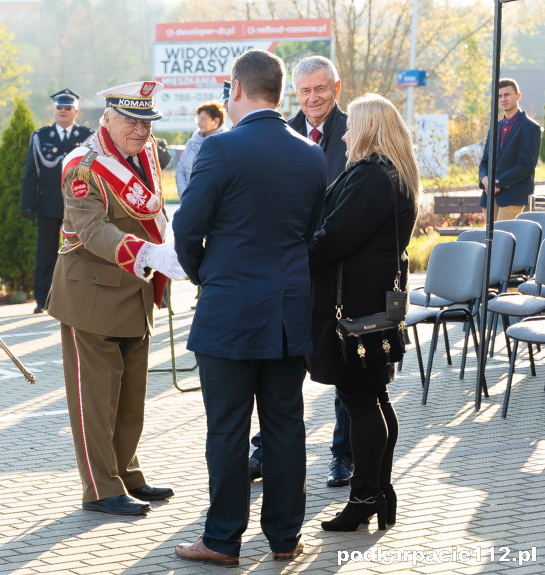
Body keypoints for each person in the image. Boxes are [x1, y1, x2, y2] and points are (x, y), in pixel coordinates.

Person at [173, 49, 326, 565]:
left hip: (229, 313)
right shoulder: (310, 154)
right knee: (286, 427)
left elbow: (186, 229)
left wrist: (205, 277)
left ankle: (221, 540)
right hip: (286, 313)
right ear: (282, 93)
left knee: (229, 429)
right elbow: (309, 235)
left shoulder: (220, 150)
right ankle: (285, 538)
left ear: (235, 89)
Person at [47, 80, 187, 517]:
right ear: (106, 117)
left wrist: (171, 246)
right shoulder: (83, 167)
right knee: (96, 399)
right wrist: (148, 253)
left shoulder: (142, 151)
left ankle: (127, 472)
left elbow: (151, 210)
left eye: (146, 122)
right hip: (91, 294)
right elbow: (93, 230)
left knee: (131, 396)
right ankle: (100, 488)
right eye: (130, 121)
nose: (140, 131)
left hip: (135, 290)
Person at [306, 93, 419, 531]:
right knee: (373, 398)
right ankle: (377, 492)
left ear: (369, 129)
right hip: (371, 309)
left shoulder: (372, 175)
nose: (346, 134)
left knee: (359, 401)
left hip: (353, 313)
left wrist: (292, 255)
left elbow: (334, 238)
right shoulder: (392, 174)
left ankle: (366, 496)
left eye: (351, 126)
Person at [250, 55, 354, 487]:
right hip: (291, 273)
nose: (313, 98)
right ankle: (264, 449)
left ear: (336, 87)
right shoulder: (281, 133)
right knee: (279, 367)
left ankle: (343, 455)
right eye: (305, 91)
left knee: (346, 368)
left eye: (321, 89)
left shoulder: (357, 131)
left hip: (341, 272)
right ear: (295, 93)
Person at [20, 88, 94, 314]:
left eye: (68, 108)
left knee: (81, 253)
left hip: (80, 205)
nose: (63, 111)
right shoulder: (40, 136)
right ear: (53, 110)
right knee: (46, 254)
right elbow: (31, 172)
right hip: (49, 205)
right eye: (59, 107)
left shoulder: (88, 136)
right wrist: (27, 202)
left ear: (76, 111)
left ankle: (79, 298)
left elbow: (94, 173)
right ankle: (43, 299)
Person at [477, 78, 542, 221]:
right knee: (491, 242)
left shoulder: (531, 128)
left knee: (503, 238)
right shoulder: (495, 127)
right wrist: (484, 179)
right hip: (489, 197)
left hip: (514, 194)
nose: (503, 99)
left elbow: (526, 165)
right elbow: (485, 161)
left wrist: (498, 183)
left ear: (518, 96)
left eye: (507, 95)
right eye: (499, 96)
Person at [175, 101, 227, 197]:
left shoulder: (226, 142)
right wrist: (185, 196)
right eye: (198, 118)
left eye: (203, 118)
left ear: (216, 121)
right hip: (189, 199)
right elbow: (180, 170)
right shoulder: (192, 142)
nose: (199, 122)